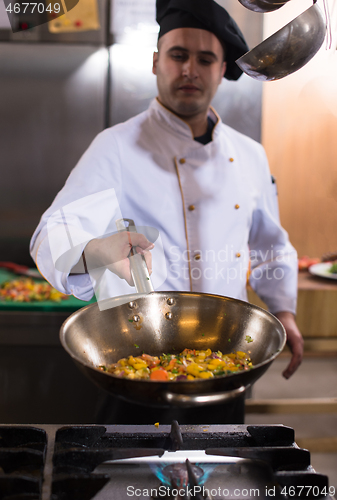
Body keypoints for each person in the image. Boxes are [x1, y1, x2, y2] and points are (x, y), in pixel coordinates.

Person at [30, 0, 303, 424]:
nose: (190, 69)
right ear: (157, 62)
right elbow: (51, 235)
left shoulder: (250, 155)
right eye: (178, 55)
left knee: (218, 486)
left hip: (224, 371)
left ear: (221, 69)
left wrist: (284, 311)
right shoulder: (116, 146)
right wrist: (99, 251)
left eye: (205, 58)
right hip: (135, 371)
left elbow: (269, 245)